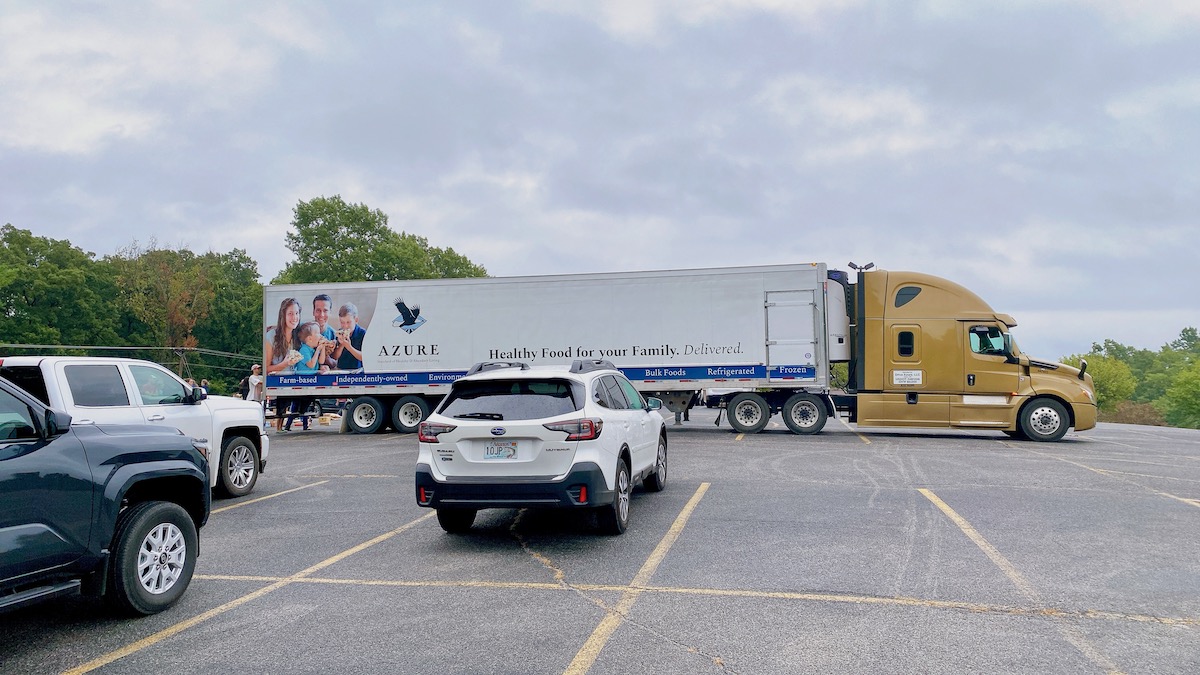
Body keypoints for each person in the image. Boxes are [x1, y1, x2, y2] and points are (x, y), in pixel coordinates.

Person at [265, 297, 302, 376]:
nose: (295, 317)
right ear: (283, 315)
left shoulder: (299, 335)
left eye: (297, 313)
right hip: (277, 384)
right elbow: (266, 369)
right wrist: (284, 364)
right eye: (290, 314)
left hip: (296, 384)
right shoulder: (271, 336)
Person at [333, 302, 367, 370]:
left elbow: (364, 357)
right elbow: (335, 357)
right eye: (342, 322)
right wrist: (342, 345)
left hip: (358, 371)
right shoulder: (339, 333)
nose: (345, 326)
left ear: (356, 320)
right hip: (342, 371)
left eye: (348, 322)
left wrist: (349, 347)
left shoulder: (362, 333)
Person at [312, 293, 339, 369]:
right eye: (318, 310)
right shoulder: (304, 331)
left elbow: (336, 362)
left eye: (325, 310)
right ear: (313, 312)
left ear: (330, 312)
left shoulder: (335, 335)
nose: (322, 315)